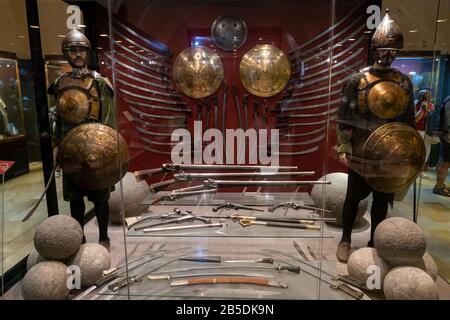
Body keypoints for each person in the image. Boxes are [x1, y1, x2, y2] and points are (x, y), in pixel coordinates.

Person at [335, 10, 416, 262]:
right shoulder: (357, 80)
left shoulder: (403, 83)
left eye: (393, 50)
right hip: (361, 150)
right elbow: (343, 119)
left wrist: (410, 156)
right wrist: (344, 147)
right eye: (384, 49)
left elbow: (408, 123)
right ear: (375, 49)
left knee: (382, 201)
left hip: (389, 154)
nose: (388, 55)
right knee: (352, 199)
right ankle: (346, 239)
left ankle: (374, 242)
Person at [48, 29, 115, 250]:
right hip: (70, 147)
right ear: (66, 53)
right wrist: (57, 144)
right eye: (73, 50)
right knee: (75, 198)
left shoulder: (99, 82)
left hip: (95, 146)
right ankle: (79, 237)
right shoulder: (60, 83)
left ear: (87, 53)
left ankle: (104, 236)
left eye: (82, 50)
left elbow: (108, 118)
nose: (78, 55)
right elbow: (57, 118)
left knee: (100, 197)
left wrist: (107, 148)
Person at [415, 89, 438, 175]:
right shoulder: (417, 104)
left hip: (428, 131)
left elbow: (432, 119)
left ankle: (420, 171)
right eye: (427, 95)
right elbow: (415, 120)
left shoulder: (431, 105)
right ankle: (414, 170)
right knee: (417, 151)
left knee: (426, 152)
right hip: (419, 130)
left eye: (430, 95)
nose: (429, 97)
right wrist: (422, 109)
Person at [433, 96, 450, 197]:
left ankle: (440, 184)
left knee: (442, 160)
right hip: (448, 135)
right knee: (445, 163)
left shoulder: (447, 98)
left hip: (446, 134)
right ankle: (439, 187)